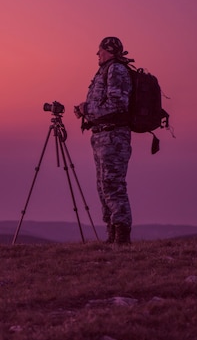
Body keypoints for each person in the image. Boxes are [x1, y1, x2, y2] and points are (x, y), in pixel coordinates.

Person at [74, 37, 133, 245]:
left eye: (99, 50)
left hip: (113, 137)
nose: (97, 54)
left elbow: (118, 104)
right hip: (102, 136)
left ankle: (122, 235)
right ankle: (112, 233)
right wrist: (85, 110)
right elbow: (104, 103)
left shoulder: (116, 70)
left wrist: (87, 109)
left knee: (113, 184)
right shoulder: (105, 70)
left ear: (108, 51)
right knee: (103, 185)